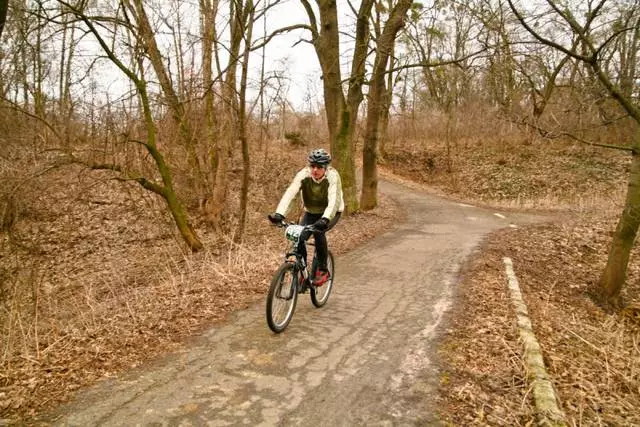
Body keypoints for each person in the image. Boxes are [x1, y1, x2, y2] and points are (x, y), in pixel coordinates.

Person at [268, 148, 344, 286]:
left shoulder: (333, 176)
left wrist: (325, 219)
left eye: (319, 167)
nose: (315, 170)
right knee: (299, 236)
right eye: (312, 166)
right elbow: (291, 193)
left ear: (326, 168)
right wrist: (279, 213)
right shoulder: (304, 174)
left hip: (331, 212)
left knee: (318, 232)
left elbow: (334, 200)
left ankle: (322, 270)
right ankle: (302, 272)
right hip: (311, 211)